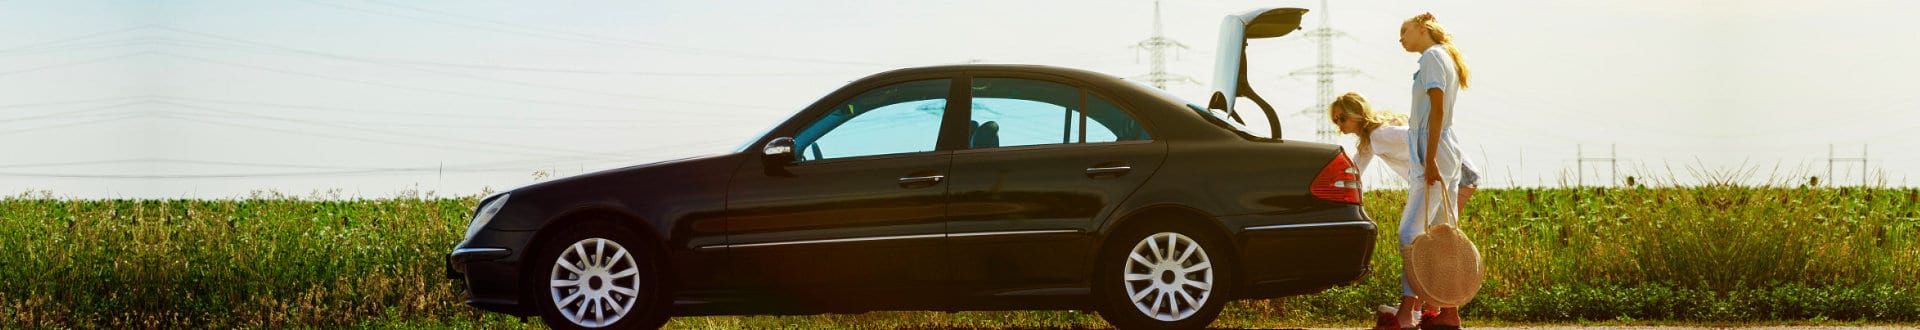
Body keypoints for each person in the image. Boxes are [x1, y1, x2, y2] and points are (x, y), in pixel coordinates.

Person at [1329, 92, 1479, 330]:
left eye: (1342, 118)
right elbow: (1354, 169)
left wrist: (1429, 168)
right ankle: (1438, 312)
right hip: (1452, 172)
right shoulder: (1371, 140)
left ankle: (1412, 312)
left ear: (1357, 114)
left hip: (1453, 173)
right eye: (1335, 120)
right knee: (1436, 242)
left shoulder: (1381, 134)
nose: (1339, 124)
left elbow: (1423, 134)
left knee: (1419, 239)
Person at [1398, 11, 1475, 330]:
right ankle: (1448, 312)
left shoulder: (1432, 56)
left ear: (1420, 28)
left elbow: (1438, 109)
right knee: (1443, 234)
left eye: (1403, 31)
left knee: (1409, 233)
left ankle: (1406, 313)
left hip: (1435, 150)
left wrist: (1428, 160)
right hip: (1445, 148)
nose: (1400, 39)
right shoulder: (1444, 57)